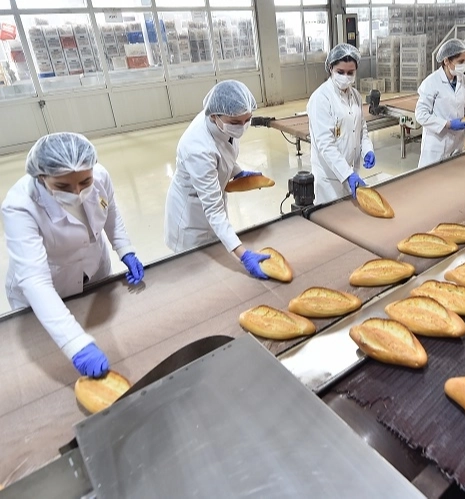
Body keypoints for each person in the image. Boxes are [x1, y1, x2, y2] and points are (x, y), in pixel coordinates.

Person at [2, 132, 145, 378]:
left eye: (85, 182)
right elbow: (35, 280)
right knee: (52, 352)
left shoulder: (99, 175)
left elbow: (110, 211)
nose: (77, 192)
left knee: (102, 329)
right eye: (63, 186)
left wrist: (125, 249)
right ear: (41, 176)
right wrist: (76, 345)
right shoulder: (20, 205)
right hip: (52, 284)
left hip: (94, 269)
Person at [164, 80, 271, 280]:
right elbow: (213, 209)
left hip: (211, 206)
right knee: (198, 275)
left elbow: (224, 153)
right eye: (236, 122)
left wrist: (237, 171)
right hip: (191, 218)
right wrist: (243, 255)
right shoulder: (197, 148)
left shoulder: (225, 122)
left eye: (247, 120)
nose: (242, 127)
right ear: (214, 116)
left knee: (216, 260)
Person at [307, 43, 375, 205]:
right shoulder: (321, 98)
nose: (346, 76)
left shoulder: (356, 96)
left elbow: (361, 129)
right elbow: (325, 144)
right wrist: (347, 174)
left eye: (350, 72)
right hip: (329, 178)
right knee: (331, 216)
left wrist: (367, 149)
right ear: (330, 68)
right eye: (340, 72)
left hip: (350, 172)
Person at [415, 39, 465, 169]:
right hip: (437, 147)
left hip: (457, 145)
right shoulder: (431, 83)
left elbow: (464, 107)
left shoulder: (462, 79)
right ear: (446, 61)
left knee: (453, 178)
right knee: (433, 179)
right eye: (460, 61)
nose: (463, 65)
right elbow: (421, 115)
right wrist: (448, 124)